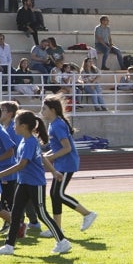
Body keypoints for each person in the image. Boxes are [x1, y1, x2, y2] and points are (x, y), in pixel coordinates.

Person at [0, 110, 70, 256]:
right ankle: (9, 246)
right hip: (23, 182)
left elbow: (22, 164)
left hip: (35, 184)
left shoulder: (30, 142)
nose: (14, 126)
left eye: (16, 123)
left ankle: (62, 242)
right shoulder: (25, 141)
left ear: (24, 126)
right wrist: (53, 171)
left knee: (42, 214)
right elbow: (42, 158)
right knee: (15, 214)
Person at [41, 94, 99, 235]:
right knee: (54, 194)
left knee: (58, 194)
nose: (41, 112)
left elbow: (66, 148)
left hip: (67, 164)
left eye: (44, 109)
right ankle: (57, 227)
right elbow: (56, 149)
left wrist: (49, 159)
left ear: (53, 110)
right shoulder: (54, 124)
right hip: (61, 164)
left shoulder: (58, 125)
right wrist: (45, 157)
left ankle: (87, 214)